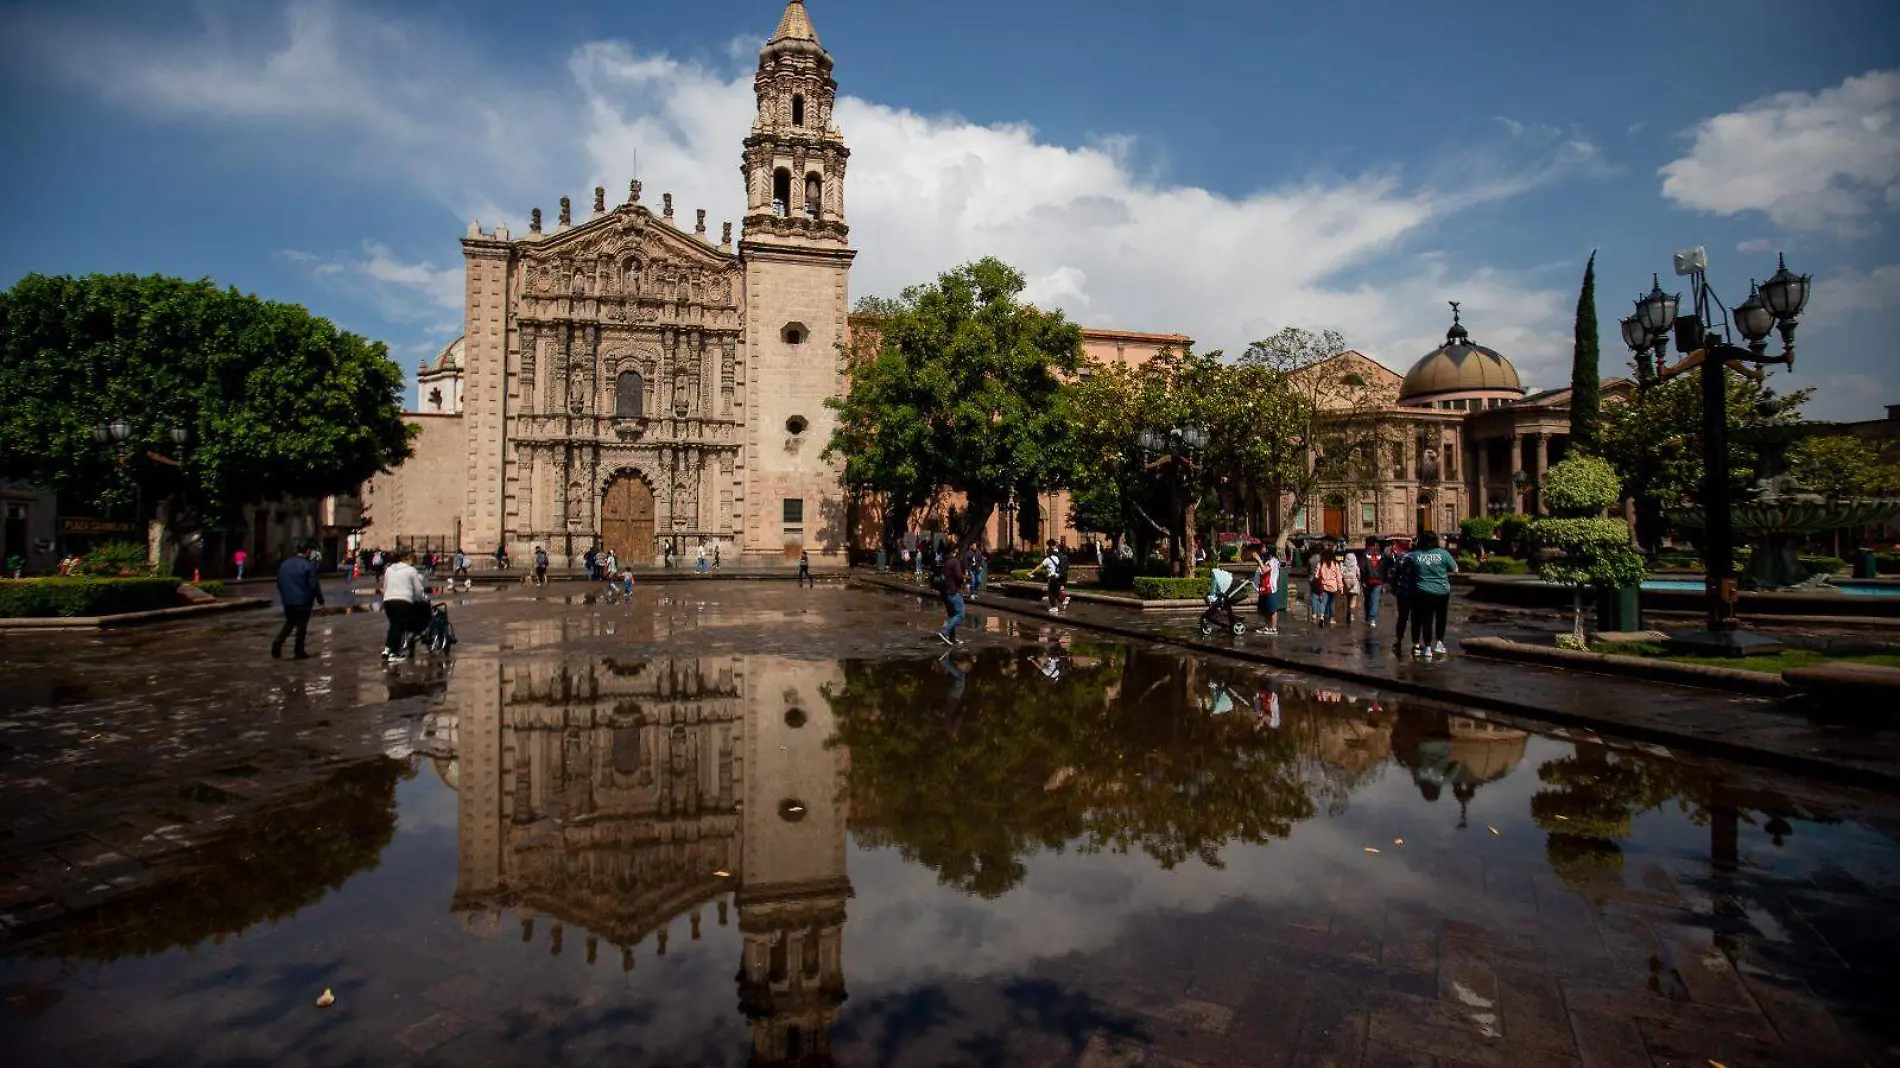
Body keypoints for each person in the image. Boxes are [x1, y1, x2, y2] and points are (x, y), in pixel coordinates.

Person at [1407, 531, 1459, 660]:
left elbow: (1408, 571)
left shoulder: (1415, 555)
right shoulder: (1443, 554)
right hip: (1442, 590)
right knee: (1441, 617)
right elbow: (1455, 569)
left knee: (1426, 619)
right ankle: (1439, 643)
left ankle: (1427, 647)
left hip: (1423, 590)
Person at [272, 541, 324, 659]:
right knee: (301, 626)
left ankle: (278, 642)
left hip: (288, 601)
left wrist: (285, 595)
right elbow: (313, 585)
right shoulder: (308, 565)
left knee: (290, 623)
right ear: (307, 551)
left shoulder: (285, 564)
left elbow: (279, 583)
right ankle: (299, 650)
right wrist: (320, 601)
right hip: (303, 601)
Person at [380, 550, 431, 663]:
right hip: (403, 601)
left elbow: (385, 586)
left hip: (388, 601)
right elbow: (418, 590)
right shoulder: (411, 570)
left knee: (394, 625)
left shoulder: (389, 569)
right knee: (399, 626)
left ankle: (387, 649)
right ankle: (394, 653)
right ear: (410, 560)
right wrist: (425, 599)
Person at [1382, 539, 1415, 653]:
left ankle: (1399, 640)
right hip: (1415, 591)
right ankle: (1416, 643)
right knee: (1415, 618)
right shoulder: (1415, 558)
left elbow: (1394, 575)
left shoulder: (1401, 558)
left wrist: (1394, 588)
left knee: (1402, 617)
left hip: (1402, 592)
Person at [935, 542, 967, 646]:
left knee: (952, 615)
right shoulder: (954, 561)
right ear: (955, 550)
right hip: (953, 592)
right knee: (960, 615)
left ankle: (952, 637)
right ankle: (944, 632)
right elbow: (959, 577)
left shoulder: (946, 561)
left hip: (945, 593)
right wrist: (964, 578)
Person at [1251, 548, 1284, 635]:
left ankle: (1273, 628)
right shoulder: (1266, 559)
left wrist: (1258, 559)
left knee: (1272, 609)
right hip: (1263, 587)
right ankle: (1267, 626)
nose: (1262, 549)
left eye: (1264, 547)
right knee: (1265, 609)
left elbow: (1265, 570)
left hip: (1270, 587)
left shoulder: (1273, 561)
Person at [1029, 540, 1066, 613]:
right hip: (1058, 577)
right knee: (1056, 591)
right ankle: (1064, 599)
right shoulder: (1058, 558)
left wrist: (1032, 572)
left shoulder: (1047, 559)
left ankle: (1055, 607)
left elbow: (1040, 566)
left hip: (1052, 577)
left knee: (1051, 593)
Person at [1312, 548, 1342, 626]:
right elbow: (1339, 577)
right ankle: (1332, 619)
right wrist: (1340, 588)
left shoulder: (1321, 563)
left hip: (1323, 586)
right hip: (1333, 587)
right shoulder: (1335, 564)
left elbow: (1316, 575)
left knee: (1323, 602)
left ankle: (1322, 617)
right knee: (1331, 603)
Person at [1360, 537, 1385, 629]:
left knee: (1367, 599)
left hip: (1368, 580)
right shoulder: (1380, 554)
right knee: (1374, 600)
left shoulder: (1365, 554)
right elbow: (1383, 567)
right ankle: (1372, 619)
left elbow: (1362, 568)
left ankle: (1368, 617)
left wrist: (1363, 580)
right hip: (1378, 580)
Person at [1339, 547, 1362, 625]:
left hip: (1346, 586)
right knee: (1354, 599)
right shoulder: (1355, 567)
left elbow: (1341, 575)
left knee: (1348, 599)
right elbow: (1359, 575)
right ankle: (1351, 612)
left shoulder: (1343, 566)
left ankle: (1348, 610)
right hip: (1354, 586)